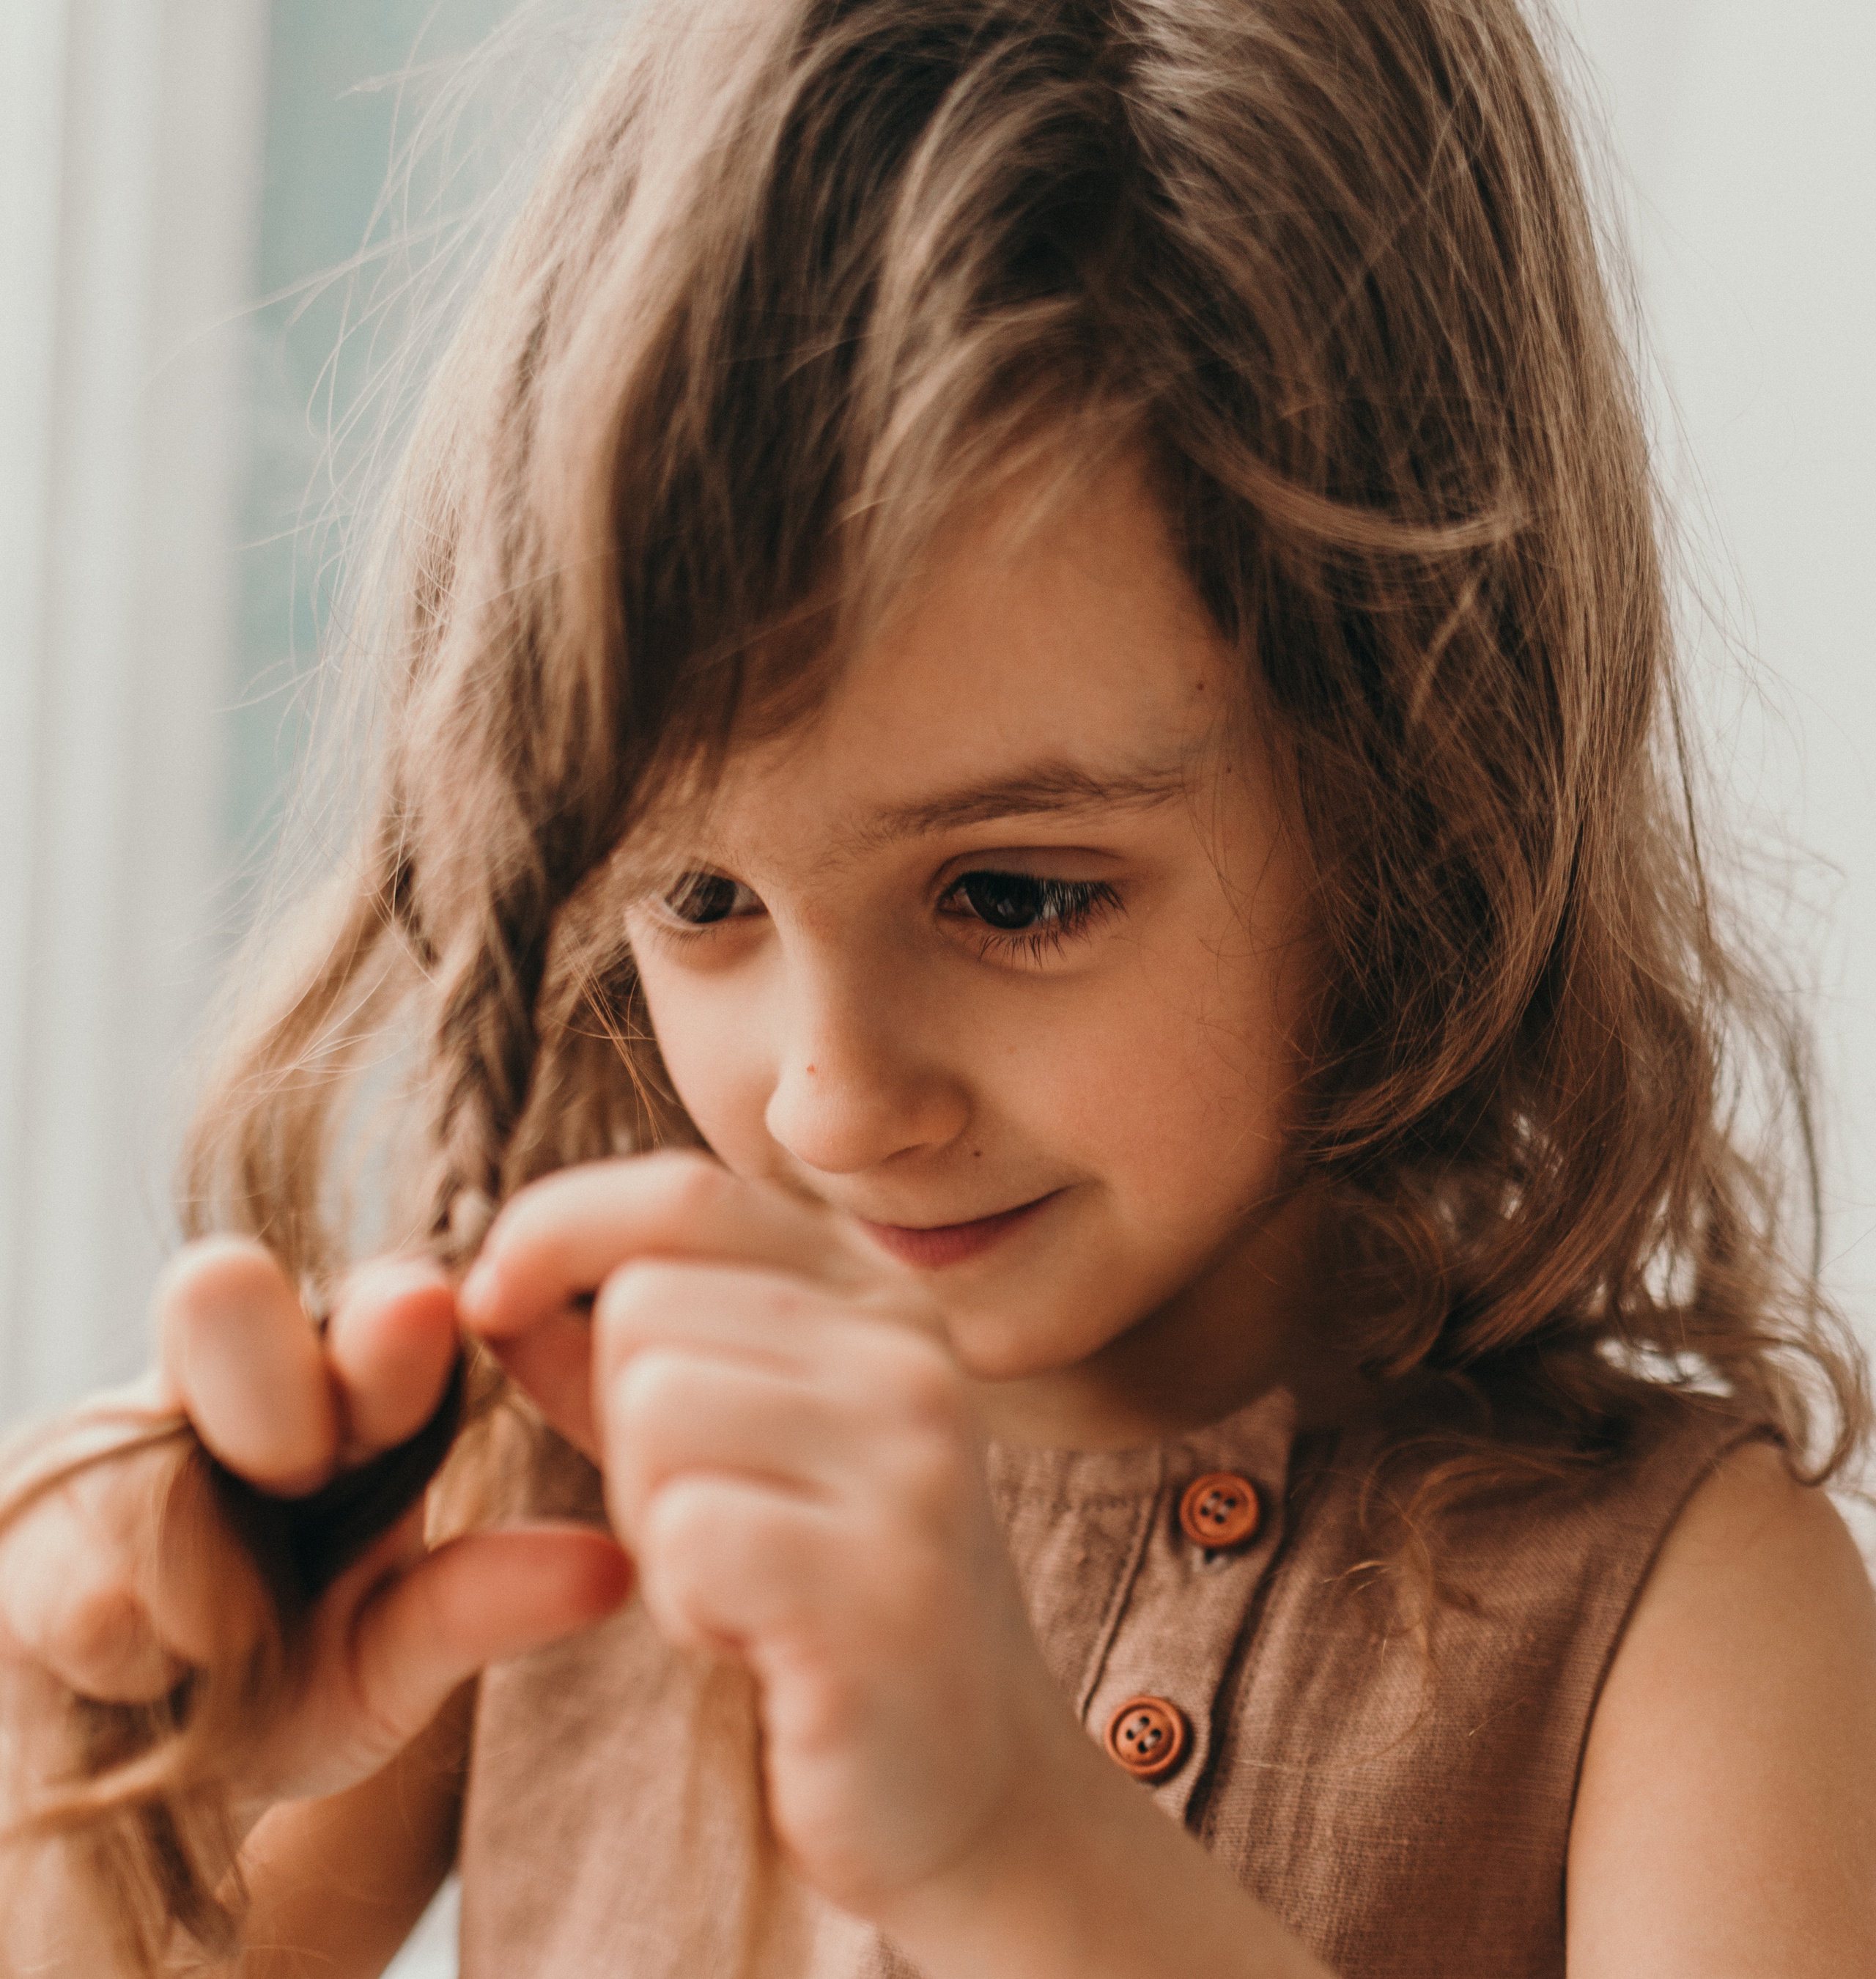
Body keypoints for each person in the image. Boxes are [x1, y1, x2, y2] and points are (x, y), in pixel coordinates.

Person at [3, 0, 1874, 1972]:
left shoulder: (1688, 1624)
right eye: (699, 891)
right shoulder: (534, 1494)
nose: (826, 1096)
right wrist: (86, 1790)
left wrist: (1010, 1835)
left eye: (1011, 893)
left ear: (1419, 791)